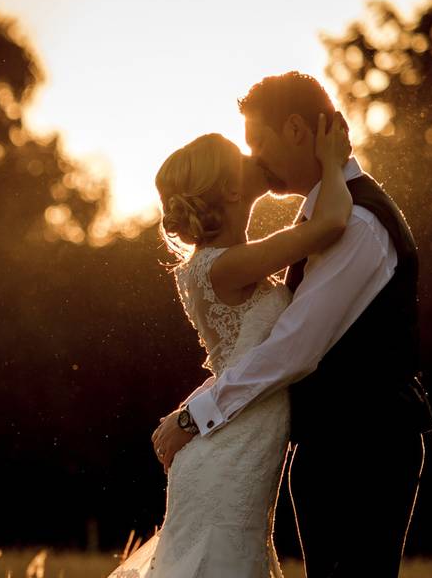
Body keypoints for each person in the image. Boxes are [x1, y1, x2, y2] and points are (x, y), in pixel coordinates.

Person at [152, 71, 432, 577]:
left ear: (295, 130)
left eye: (258, 141)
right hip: (325, 451)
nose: (255, 158)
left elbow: (293, 348)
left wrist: (194, 414)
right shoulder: (317, 221)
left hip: (362, 449)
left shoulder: (357, 223)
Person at [108, 117, 352, 577]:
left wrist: (189, 410)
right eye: (240, 157)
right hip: (228, 453)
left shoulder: (218, 264)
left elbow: (237, 362)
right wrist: (333, 161)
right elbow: (333, 221)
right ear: (234, 192)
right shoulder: (226, 265)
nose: (253, 154)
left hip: (236, 443)